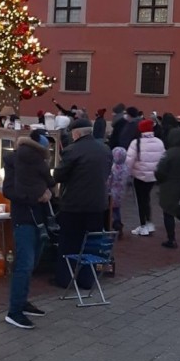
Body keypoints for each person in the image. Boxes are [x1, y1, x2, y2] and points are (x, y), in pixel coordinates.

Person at [1, 129, 54, 329]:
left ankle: (22, 302)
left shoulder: (39, 162)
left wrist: (48, 192)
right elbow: (9, 190)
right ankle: (14, 311)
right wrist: (36, 196)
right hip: (23, 218)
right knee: (24, 263)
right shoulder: (15, 160)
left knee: (32, 263)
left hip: (39, 218)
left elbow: (47, 183)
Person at [52, 118, 112, 288]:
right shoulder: (105, 149)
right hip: (97, 205)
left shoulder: (72, 150)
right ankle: (87, 280)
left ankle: (64, 279)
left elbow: (59, 176)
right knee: (91, 243)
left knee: (68, 242)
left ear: (76, 133)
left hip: (74, 205)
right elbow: (106, 173)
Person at [125, 118, 165, 236]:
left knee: (140, 201)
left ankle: (143, 226)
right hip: (153, 176)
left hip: (139, 176)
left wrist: (126, 174)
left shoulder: (136, 143)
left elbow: (129, 161)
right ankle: (149, 223)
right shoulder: (159, 142)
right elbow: (163, 158)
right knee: (146, 199)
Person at [107, 146, 129, 238]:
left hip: (112, 192)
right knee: (117, 210)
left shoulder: (113, 168)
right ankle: (118, 226)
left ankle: (113, 226)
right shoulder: (125, 168)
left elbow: (109, 181)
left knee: (111, 210)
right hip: (121, 192)